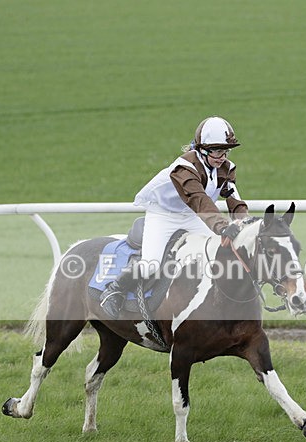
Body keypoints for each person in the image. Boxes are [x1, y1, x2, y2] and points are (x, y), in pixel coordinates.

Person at [99, 116, 249, 318]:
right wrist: (223, 226)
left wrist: (245, 223)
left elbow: (233, 198)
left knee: (218, 253)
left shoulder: (225, 168)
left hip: (192, 215)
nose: (222, 156)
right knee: (151, 265)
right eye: (217, 150)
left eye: (226, 151)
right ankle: (114, 290)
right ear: (202, 150)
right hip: (163, 215)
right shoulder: (184, 169)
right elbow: (199, 200)